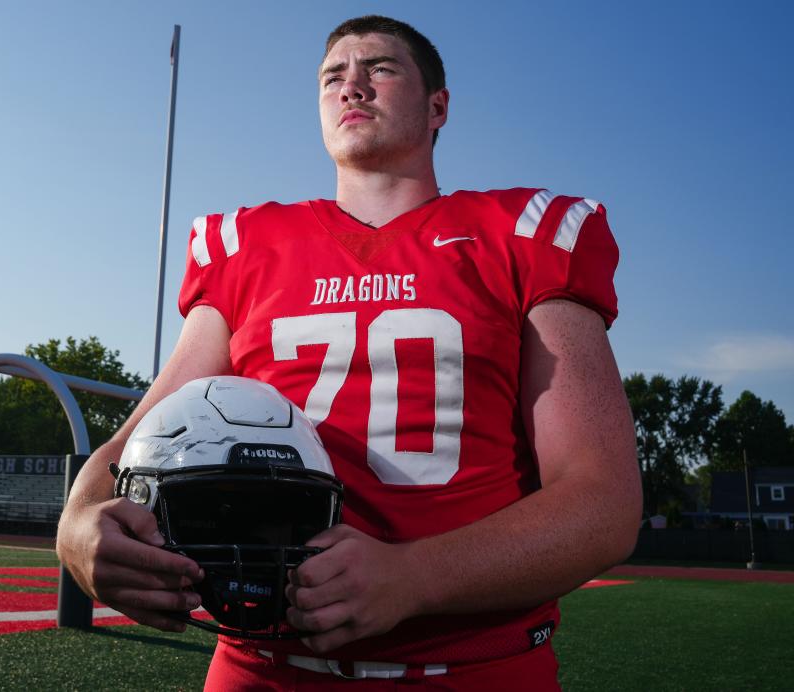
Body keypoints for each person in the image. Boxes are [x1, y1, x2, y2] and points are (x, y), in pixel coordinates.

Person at [56, 14, 642, 690]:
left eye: (381, 68)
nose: (352, 86)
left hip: (475, 667)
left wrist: (414, 576)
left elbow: (601, 502)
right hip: (261, 665)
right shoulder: (246, 243)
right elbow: (145, 432)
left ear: (437, 106)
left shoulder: (526, 231)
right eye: (333, 76)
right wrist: (75, 525)